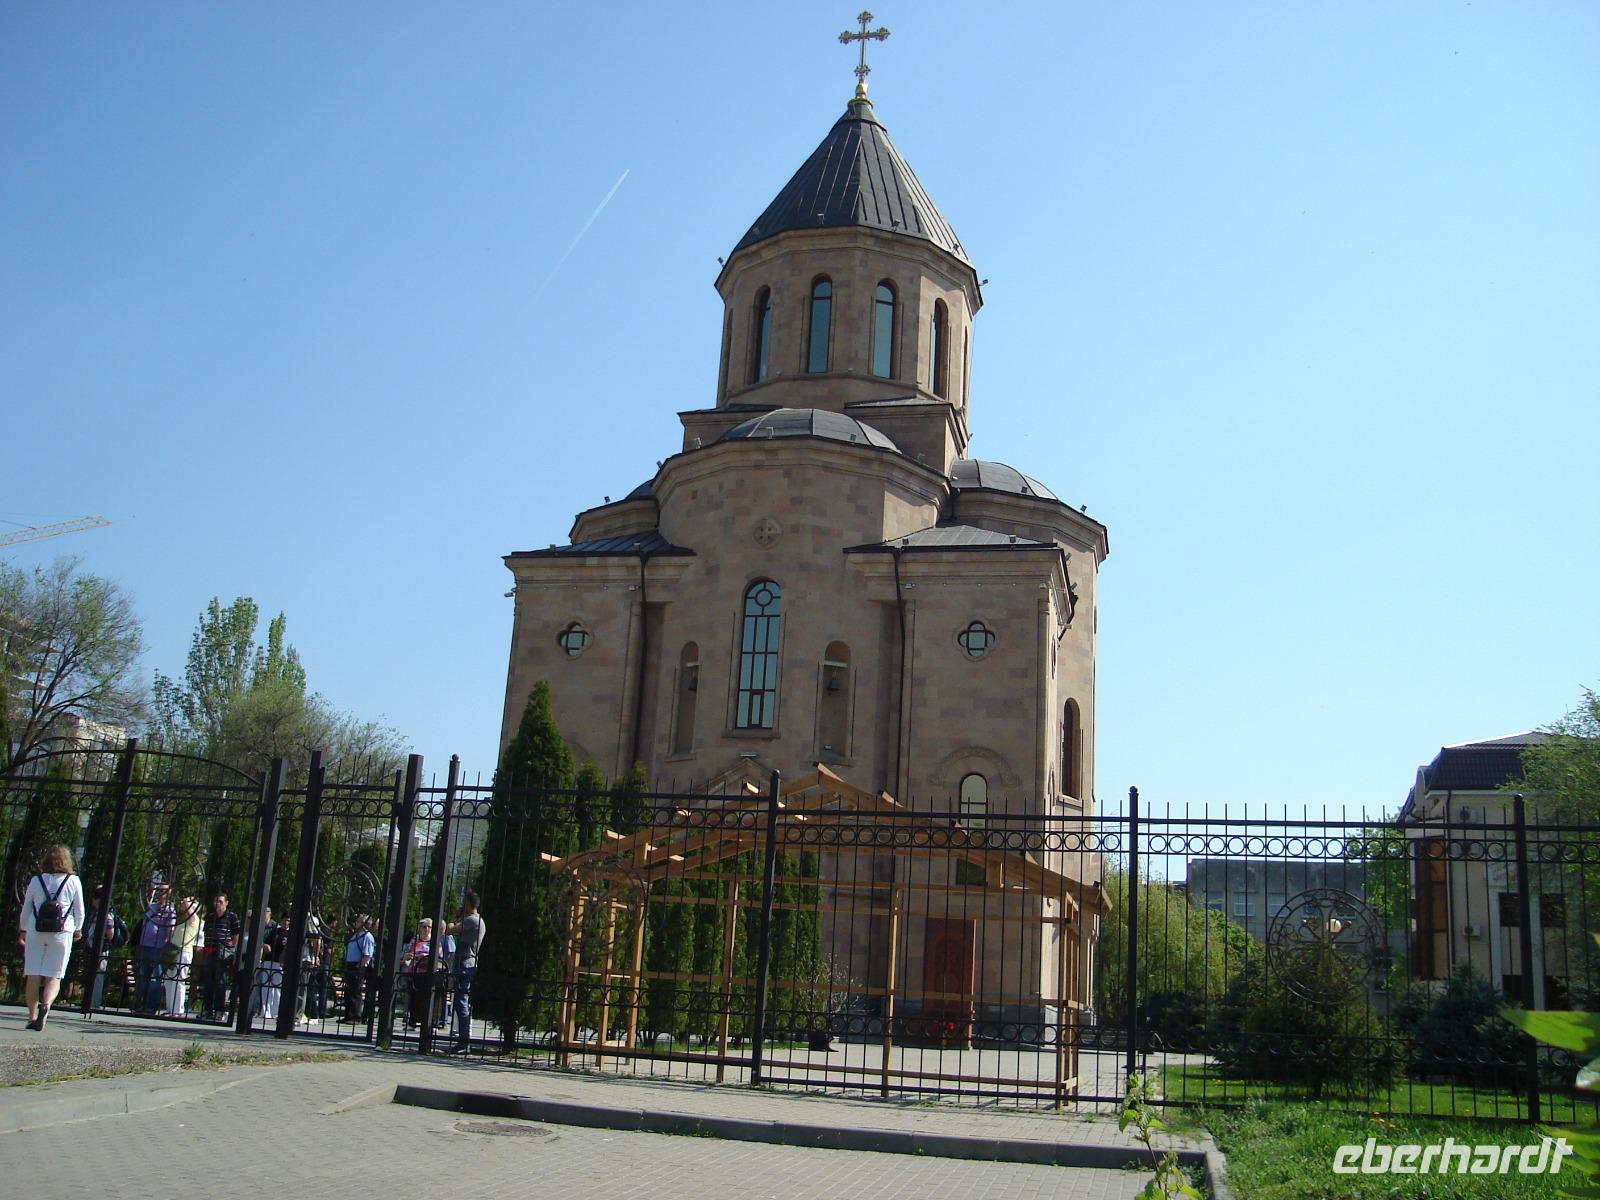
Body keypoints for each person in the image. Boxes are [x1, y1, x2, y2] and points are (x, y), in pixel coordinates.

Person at [17, 844, 86, 1031]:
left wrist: (23, 929)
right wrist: (78, 929)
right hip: (62, 931)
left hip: (36, 929)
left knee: (33, 973)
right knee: (54, 974)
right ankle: (46, 1006)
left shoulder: (36, 880)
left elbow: (26, 909)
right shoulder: (73, 881)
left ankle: (32, 1017)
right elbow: (80, 910)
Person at [442, 892, 484, 1053]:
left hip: (465, 963)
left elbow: (449, 930)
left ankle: (464, 1041)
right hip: (468, 962)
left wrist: (455, 915)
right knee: (461, 1000)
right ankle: (463, 1039)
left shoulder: (471, 920)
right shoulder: (480, 921)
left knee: (461, 1001)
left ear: (468, 904)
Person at [80, 884, 127, 1010]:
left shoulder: (107, 914)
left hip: (101, 948)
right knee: (92, 975)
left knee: (98, 976)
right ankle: (88, 1001)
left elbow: (110, 934)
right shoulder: (95, 912)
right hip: (92, 947)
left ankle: (94, 1003)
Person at [133, 883, 175, 1014]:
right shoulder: (151, 907)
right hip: (144, 945)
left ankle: (151, 1007)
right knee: (142, 976)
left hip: (158, 947)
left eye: (163, 890)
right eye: (159, 890)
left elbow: (170, 930)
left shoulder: (170, 910)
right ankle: (139, 1005)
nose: (160, 892)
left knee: (155, 978)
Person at [199, 893, 241, 1020]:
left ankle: (219, 1010)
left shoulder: (231, 917)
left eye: (220, 902)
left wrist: (230, 946)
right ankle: (207, 1009)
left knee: (220, 982)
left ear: (226, 903)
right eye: (216, 901)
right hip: (209, 951)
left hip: (222, 953)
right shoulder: (210, 917)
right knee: (208, 982)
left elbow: (236, 935)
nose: (217, 904)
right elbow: (206, 933)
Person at [163, 895, 203, 1015]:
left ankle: (178, 1010)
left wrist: (187, 899)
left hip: (184, 952)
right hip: (174, 951)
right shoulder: (183, 921)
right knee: (169, 980)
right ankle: (170, 1008)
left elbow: (187, 905)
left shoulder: (195, 919)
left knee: (179, 980)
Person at [398, 918, 434, 1028]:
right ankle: (412, 1021)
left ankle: (427, 1023)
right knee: (414, 997)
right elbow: (406, 954)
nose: (426, 929)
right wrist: (408, 957)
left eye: (429, 926)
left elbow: (439, 956)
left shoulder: (434, 941)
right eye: (424, 926)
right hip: (415, 971)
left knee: (427, 998)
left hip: (428, 972)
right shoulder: (415, 941)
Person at [342, 914, 375, 1023]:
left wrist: (359, 965)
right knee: (348, 991)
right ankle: (348, 1015)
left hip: (358, 966)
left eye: (359, 921)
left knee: (355, 991)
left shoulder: (367, 936)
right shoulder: (355, 935)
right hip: (350, 964)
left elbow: (368, 954)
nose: (356, 922)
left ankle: (355, 1016)